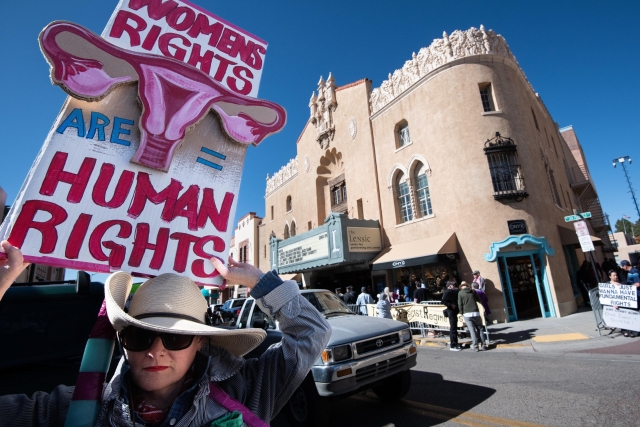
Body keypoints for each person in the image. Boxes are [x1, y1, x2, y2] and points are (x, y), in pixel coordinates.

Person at [0, 240, 331, 426]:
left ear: (200, 342)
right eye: (140, 336)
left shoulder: (246, 391)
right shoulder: (76, 407)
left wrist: (259, 281)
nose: (155, 352)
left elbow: (311, 334)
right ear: (123, 341)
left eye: (175, 338)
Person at [458, 281, 487, 351]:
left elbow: (460, 304)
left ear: (461, 287)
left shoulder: (460, 293)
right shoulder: (473, 291)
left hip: (467, 313)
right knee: (480, 329)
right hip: (476, 312)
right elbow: (479, 300)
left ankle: (475, 346)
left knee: (472, 330)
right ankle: (483, 345)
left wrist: (461, 312)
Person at [620, 260, 640, 337]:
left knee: (635, 312)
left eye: (622, 266)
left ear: (625, 265)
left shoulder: (634, 271)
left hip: (637, 295)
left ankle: (636, 331)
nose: (622, 268)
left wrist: (629, 288)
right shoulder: (630, 272)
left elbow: (638, 283)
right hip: (634, 295)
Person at [441, 282, 461, 351]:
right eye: (453, 285)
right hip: (451, 311)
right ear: (449, 286)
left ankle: (455, 343)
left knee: (454, 327)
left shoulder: (454, 291)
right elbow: (443, 301)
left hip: (454, 311)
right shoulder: (447, 292)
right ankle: (453, 345)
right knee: (453, 328)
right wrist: (450, 305)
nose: (454, 286)